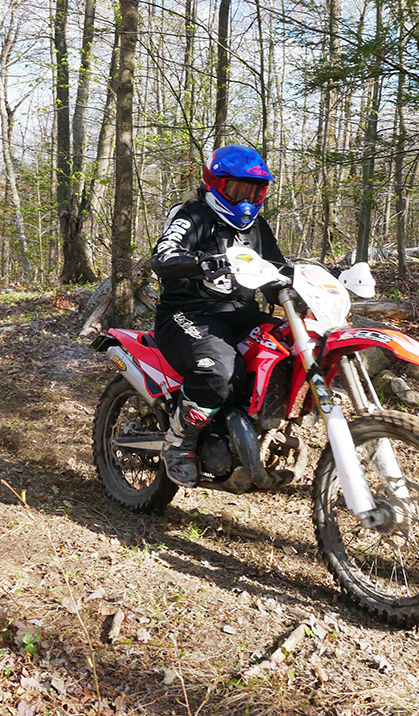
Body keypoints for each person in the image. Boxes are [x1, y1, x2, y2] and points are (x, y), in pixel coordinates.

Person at [150, 145, 289, 488]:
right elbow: (163, 256)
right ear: (215, 184)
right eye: (237, 189)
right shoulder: (193, 215)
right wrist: (200, 262)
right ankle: (179, 441)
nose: (245, 198)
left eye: (253, 190)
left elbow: (278, 272)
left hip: (240, 315)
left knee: (292, 347)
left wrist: (307, 283)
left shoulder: (258, 228)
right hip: (188, 314)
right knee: (220, 371)